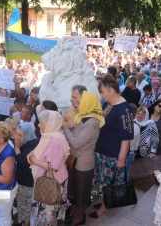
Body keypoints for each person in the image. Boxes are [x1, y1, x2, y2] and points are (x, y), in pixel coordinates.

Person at [91, 74, 133, 219]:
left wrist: (121, 159)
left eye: (102, 92)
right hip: (102, 151)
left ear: (111, 90)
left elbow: (126, 138)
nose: (101, 95)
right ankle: (104, 201)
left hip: (113, 155)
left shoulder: (124, 108)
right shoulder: (108, 103)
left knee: (109, 183)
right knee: (103, 182)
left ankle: (104, 207)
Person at [62, 86, 103, 225]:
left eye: (77, 100)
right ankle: (76, 212)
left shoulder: (91, 122)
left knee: (82, 192)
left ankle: (80, 217)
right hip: (75, 160)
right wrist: (71, 127)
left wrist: (65, 127)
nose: (74, 102)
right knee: (75, 189)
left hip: (83, 163)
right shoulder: (82, 117)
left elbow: (76, 143)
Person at [28, 110, 70, 226]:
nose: (38, 124)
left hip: (51, 183)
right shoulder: (48, 135)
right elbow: (43, 152)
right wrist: (33, 153)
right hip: (45, 180)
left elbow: (53, 166)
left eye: (41, 122)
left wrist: (34, 161)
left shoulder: (55, 140)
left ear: (50, 124)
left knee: (47, 218)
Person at [13, 122, 38, 226]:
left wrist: (17, 148)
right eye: (16, 134)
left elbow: (23, 162)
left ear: (27, 134)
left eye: (20, 135)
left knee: (26, 205)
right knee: (22, 204)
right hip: (22, 179)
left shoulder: (32, 144)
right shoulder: (27, 141)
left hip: (27, 180)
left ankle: (26, 223)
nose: (17, 137)